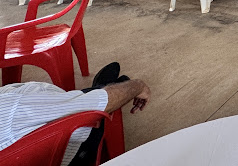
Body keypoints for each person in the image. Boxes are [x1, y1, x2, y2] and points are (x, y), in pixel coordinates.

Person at [0, 62, 150, 166]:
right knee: (101, 101)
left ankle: (102, 86)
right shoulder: (11, 110)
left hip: (38, 106)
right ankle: (105, 86)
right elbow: (97, 104)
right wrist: (138, 86)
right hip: (72, 154)